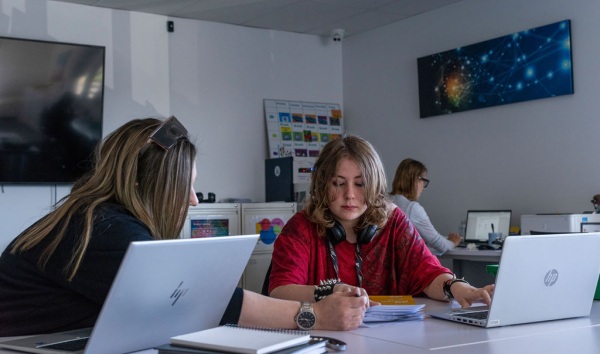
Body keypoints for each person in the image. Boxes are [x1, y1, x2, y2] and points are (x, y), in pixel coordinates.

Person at [0, 117, 367, 336]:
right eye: (185, 185)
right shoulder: (104, 230)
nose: (193, 200)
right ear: (151, 184)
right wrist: (314, 316)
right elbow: (203, 299)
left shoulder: (93, 218)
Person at [267, 135, 493, 308]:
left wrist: (458, 288)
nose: (350, 195)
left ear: (374, 185)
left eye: (360, 184)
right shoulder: (300, 227)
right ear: (322, 185)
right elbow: (279, 292)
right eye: (338, 183)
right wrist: (330, 291)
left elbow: (429, 272)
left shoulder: (393, 221)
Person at [389, 158, 462, 255]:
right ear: (416, 180)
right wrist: (453, 242)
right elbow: (439, 244)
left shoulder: (384, 201)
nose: (423, 187)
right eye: (424, 181)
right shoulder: (412, 208)